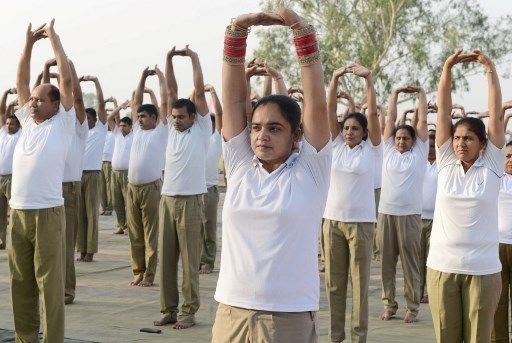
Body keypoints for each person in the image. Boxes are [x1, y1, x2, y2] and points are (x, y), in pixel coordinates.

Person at [211, 3, 331, 342]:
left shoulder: (310, 171)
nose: (263, 135)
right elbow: (234, 102)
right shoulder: (239, 166)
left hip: (287, 316)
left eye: (275, 128)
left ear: (296, 135)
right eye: (258, 127)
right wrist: (236, 32)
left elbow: (317, 104)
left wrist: (301, 31)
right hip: (231, 311)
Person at [427, 49, 505, 342]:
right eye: (457, 138)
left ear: (483, 144)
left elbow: (496, 113)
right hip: (442, 267)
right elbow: (443, 110)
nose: (460, 143)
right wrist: (447, 67)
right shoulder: (446, 161)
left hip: (483, 271)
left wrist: (489, 68)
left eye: (469, 138)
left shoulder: (493, 166)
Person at [10, 19, 74, 342]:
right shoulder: (28, 122)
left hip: (47, 212)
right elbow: (21, 78)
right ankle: (26, 338)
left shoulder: (62, 123)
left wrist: (54, 39)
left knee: (49, 284)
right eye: (31, 99)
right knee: (20, 281)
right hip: (18, 212)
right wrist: (29, 44)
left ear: (55, 103)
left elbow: (64, 78)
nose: (32, 102)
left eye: (39, 99)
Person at [322, 63, 382, 343]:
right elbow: (327, 109)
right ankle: (336, 337)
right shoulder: (334, 146)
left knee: (359, 285)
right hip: (332, 222)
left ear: (365, 132)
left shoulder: (372, 150)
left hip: (361, 224)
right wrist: (333, 78)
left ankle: (359, 338)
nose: (348, 131)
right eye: (346, 127)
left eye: (355, 128)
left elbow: (371, 111)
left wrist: (368, 80)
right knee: (334, 285)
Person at [154, 45, 211, 330]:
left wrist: (194, 58)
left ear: (193, 117)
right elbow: (169, 92)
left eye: (181, 117)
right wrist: (168, 59)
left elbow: (198, 92)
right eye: (174, 116)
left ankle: (188, 312)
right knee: (166, 261)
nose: (176, 120)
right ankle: (169, 310)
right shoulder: (170, 128)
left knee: (189, 261)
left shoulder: (201, 130)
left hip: (190, 201)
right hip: (167, 199)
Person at [378, 85, 429, 323]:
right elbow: (389, 119)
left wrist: (420, 94)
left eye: (405, 138)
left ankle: (412, 307)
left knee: (410, 264)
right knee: (387, 263)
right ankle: (389, 304)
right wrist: (395, 95)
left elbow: (422, 120)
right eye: (398, 137)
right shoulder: (387, 150)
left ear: (413, 141)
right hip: (386, 214)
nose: (400, 141)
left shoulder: (419, 153)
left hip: (409, 216)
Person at [126, 65, 168, 287]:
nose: (139, 118)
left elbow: (166, 97)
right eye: (138, 116)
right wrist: (142, 76)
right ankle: (138, 270)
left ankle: (149, 274)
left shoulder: (162, 130)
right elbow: (135, 101)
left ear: (155, 117)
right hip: (132, 188)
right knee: (135, 233)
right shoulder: (137, 130)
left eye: (143, 116)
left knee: (150, 233)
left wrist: (160, 76)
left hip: (151, 187)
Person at [76, 75, 107, 262]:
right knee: (80, 215)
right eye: (84, 118)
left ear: (95, 119)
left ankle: (90, 251)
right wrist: (76, 85)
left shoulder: (100, 129)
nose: (86, 121)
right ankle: (81, 250)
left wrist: (96, 82)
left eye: (89, 118)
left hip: (93, 175)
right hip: (78, 175)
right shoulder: (80, 131)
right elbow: (73, 104)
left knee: (91, 214)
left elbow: (102, 105)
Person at [199, 84, 223, 274]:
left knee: (208, 227)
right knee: (195, 228)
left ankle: (208, 260)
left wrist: (213, 92)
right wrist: (196, 91)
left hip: (210, 189)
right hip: (194, 189)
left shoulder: (216, 138)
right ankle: (197, 259)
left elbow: (221, 114)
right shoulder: (195, 137)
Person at [493, 138, 512, 342]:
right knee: (498, 299)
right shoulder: (495, 178)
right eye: (507, 156)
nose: (510, 160)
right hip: (497, 246)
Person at [107, 100, 133, 235]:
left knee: (128, 202)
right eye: (121, 125)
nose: (122, 127)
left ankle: (130, 226)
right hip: (115, 173)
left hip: (128, 173)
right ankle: (121, 225)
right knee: (116, 201)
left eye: (125, 125)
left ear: (130, 127)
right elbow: (109, 118)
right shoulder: (117, 134)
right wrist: (120, 107)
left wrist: (132, 106)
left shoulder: (134, 135)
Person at [0, 87, 21, 250]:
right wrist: (6, 94)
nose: (9, 125)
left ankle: (16, 242)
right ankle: (1, 241)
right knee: (0, 213)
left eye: (12, 123)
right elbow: (2, 112)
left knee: (14, 212)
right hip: (0, 177)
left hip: (13, 178)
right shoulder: (3, 133)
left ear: (18, 125)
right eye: (7, 123)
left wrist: (16, 102)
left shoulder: (21, 134)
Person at [419, 129, 437, 304]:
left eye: (433, 145)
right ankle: (418, 291)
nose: (430, 149)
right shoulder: (418, 163)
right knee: (418, 259)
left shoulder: (445, 164)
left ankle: (430, 293)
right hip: (417, 218)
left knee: (431, 258)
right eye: (428, 146)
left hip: (436, 220)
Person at [100, 97, 118, 216]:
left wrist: (116, 104)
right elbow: (100, 114)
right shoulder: (101, 131)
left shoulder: (115, 132)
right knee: (102, 187)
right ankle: (104, 206)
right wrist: (103, 103)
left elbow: (117, 117)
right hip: (101, 162)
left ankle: (110, 207)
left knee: (109, 186)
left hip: (110, 162)